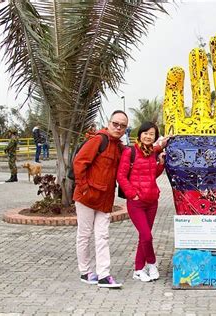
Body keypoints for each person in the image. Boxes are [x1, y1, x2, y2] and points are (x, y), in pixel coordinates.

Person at [73, 110, 128, 288]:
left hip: (105, 200)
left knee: (102, 236)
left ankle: (104, 275)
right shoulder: (98, 140)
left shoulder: (120, 147)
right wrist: (84, 188)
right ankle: (85, 272)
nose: (118, 128)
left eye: (122, 126)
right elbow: (79, 163)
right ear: (109, 123)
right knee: (84, 235)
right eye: (115, 124)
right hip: (87, 198)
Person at [117, 122, 168, 282]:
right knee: (146, 236)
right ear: (140, 135)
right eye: (145, 133)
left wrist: (161, 163)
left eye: (152, 134)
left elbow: (153, 175)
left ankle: (138, 269)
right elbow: (121, 176)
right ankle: (152, 263)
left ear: (155, 137)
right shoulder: (130, 152)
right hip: (136, 203)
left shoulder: (152, 152)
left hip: (152, 201)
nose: (148, 136)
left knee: (143, 237)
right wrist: (133, 195)